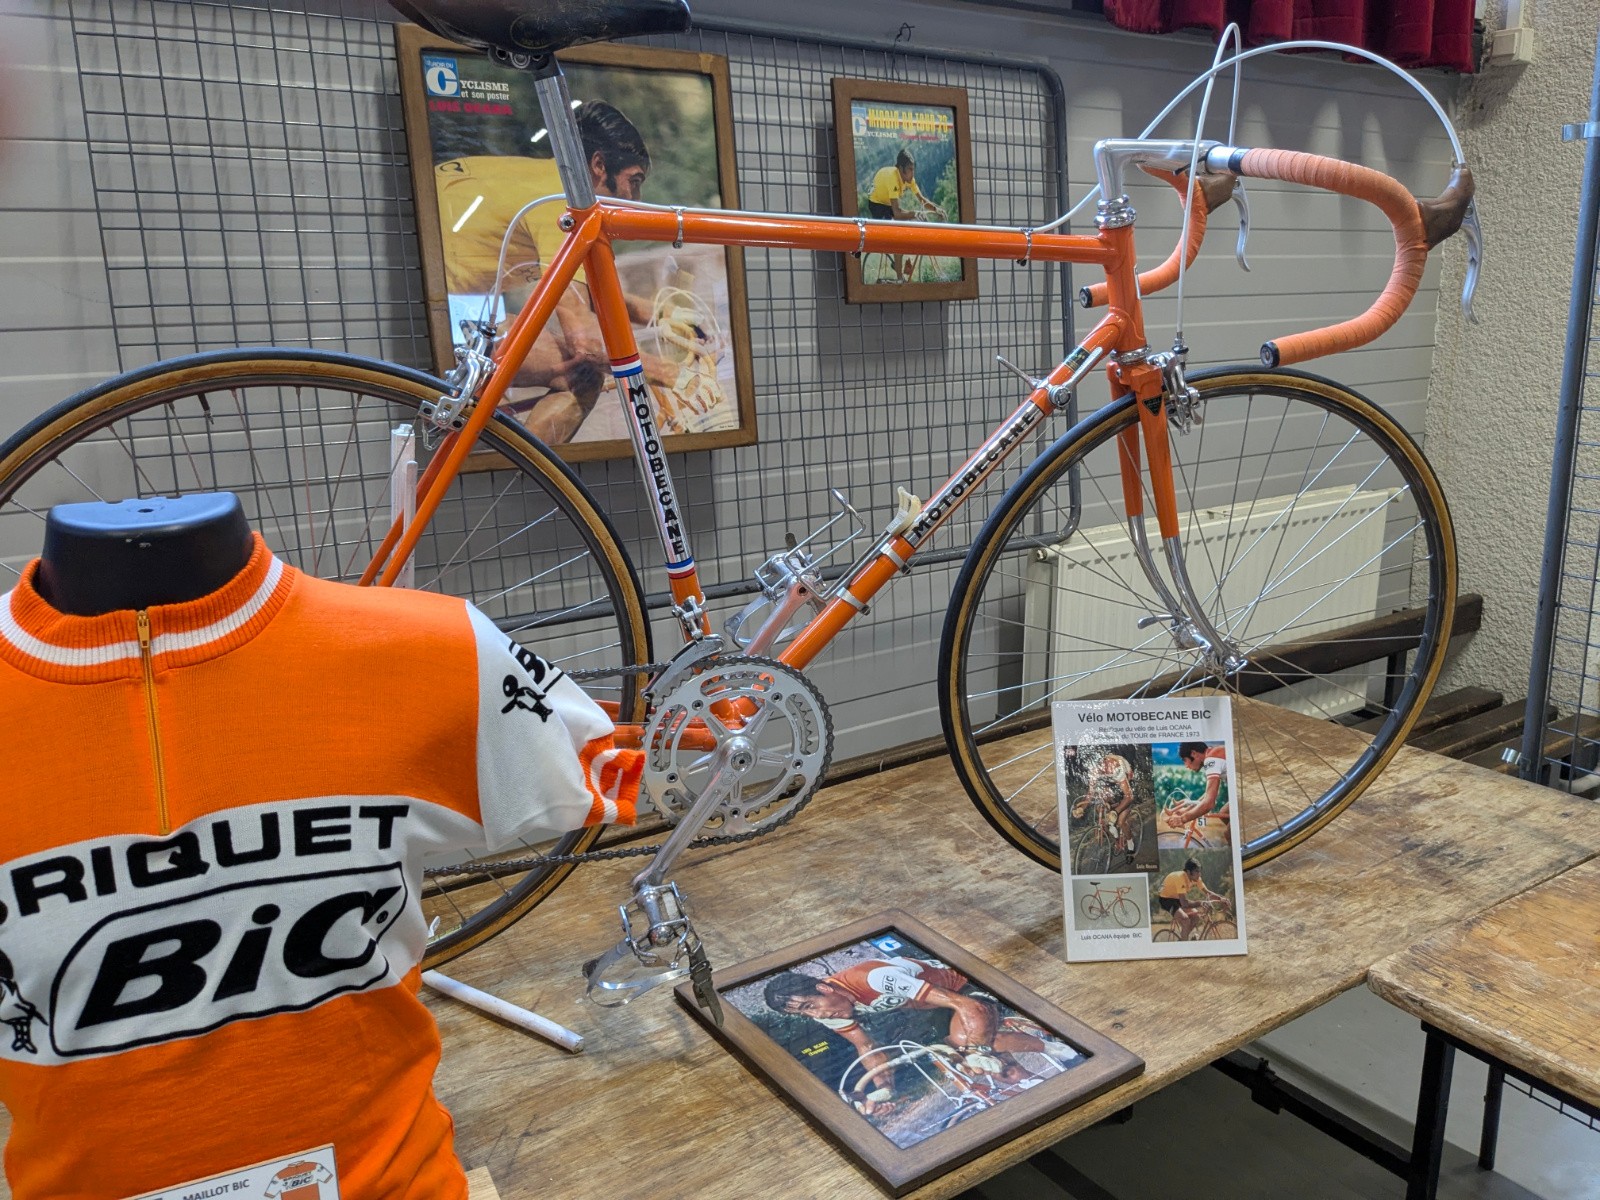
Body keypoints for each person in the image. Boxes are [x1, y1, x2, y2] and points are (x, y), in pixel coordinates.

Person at [433, 100, 676, 443]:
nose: (636, 198)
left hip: (444, 304)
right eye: (633, 181)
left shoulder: (547, 180)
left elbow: (593, 296)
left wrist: (664, 315)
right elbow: (584, 340)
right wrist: (672, 374)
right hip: (444, 316)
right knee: (583, 373)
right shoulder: (560, 206)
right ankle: (520, 468)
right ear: (598, 166)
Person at [764, 957, 1079, 1114]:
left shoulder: (874, 978)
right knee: (957, 1061)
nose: (815, 1016)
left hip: (961, 989)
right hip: (929, 1011)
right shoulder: (830, 1013)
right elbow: (867, 1047)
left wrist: (978, 1049)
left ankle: (1056, 1049)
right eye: (803, 1014)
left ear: (824, 987)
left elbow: (966, 1005)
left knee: (970, 1046)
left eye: (809, 1006)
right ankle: (1033, 1090)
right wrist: (884, 1089)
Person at [864, 149, 945, 282]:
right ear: (901, 169)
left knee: (910, 228)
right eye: (910, 169)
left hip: (888, 202)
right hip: (877, 204)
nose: (913, 173)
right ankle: (900, 279)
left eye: (913, 169)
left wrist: (936, 209)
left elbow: (922, 200)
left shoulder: (909, 179)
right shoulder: (893, 178)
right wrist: (915, 213)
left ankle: (901, 263)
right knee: (898, 237)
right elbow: (897, 213)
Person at [1072, 750, 1137, 855]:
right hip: (1112, 783)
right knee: (1100, 805)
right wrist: (1082, 808)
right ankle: (1112, 828)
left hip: (1125, 783)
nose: (1096, 770)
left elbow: (1129, 796)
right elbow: (1090, 793)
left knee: (1121, 821)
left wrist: (1115, 811)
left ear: (1104, 762)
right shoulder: (1094, 770)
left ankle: (1130, 845)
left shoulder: (1114, 766)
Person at [1166, 741, 1231, 846]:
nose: (1186, 766)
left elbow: (1209, 803)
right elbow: (1211, 794)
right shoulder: (1212, 754)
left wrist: (1182, 819)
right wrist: (1187, 810)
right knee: (1224, 813)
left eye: (1185, 760)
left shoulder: (1211, 759)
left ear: (1193, 753)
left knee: (1228, 834)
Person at [1156, 858, 1228, 941]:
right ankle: (1185, 945)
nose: (1199, 874)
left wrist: (1221, 899)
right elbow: (1184, 904)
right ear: (1188, 872)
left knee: (1196, 917)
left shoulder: (1196, 878)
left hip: (1177, 898)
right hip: (1166, 899)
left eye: (1200, 871)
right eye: (1196, 871)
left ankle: (1183, 940)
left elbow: (1208, 893)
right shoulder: (1180, 878)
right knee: (1185, 920)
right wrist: (1201, 903)